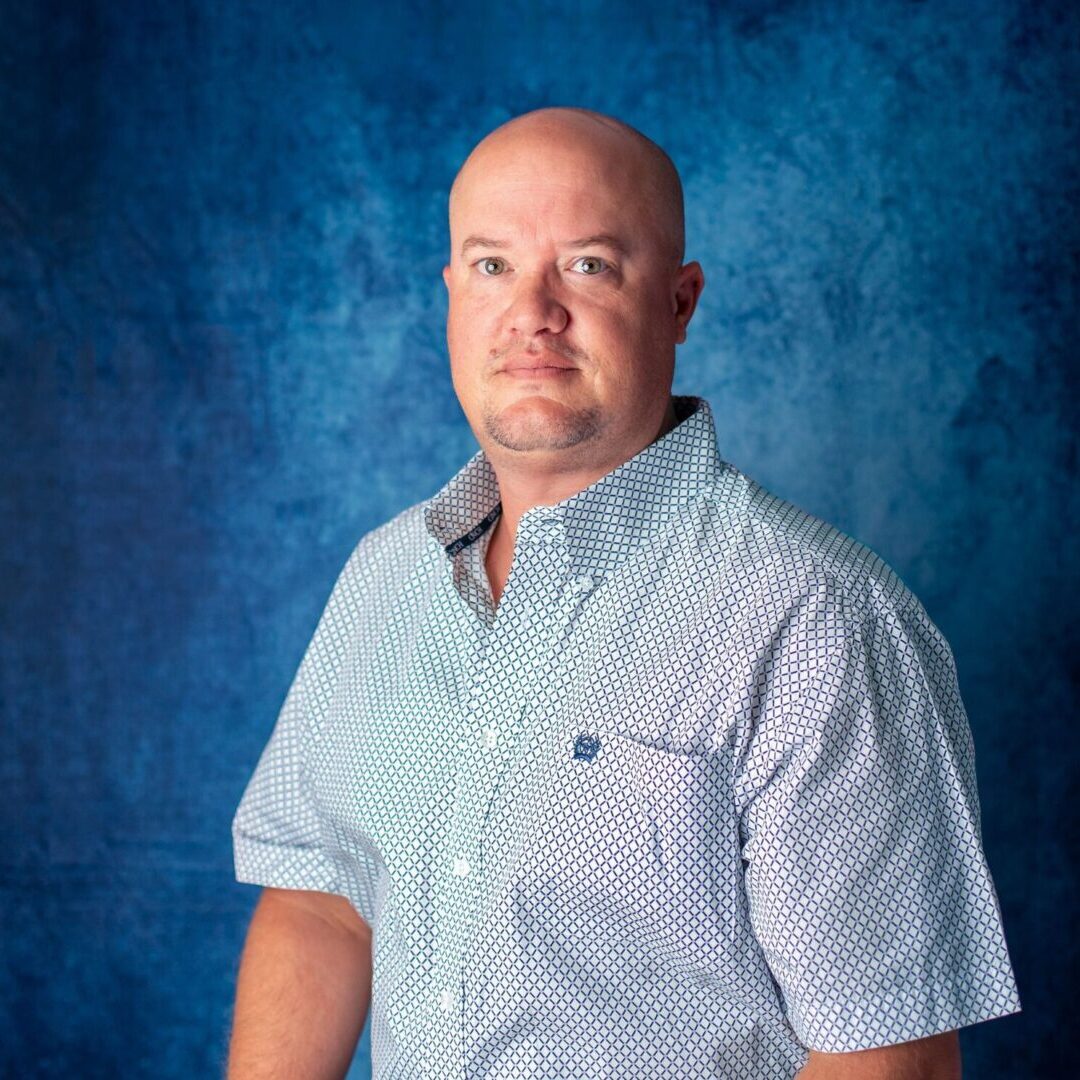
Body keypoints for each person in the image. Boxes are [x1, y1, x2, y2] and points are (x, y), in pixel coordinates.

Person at [227, 107, 1021, 1079]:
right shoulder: (383, 579)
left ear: (680, 303)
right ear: (449, 293)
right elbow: (322, 903)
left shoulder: (818, 621)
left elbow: (886, 1059)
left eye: (590, 265)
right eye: (491, 267)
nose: (532, 314)